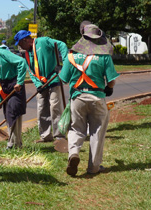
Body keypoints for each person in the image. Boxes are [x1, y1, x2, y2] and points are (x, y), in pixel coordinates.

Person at [59, 24, 119, 176]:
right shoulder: (104, 56)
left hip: (77, 98)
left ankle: (73, 153)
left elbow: (63, 79)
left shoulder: (71, 55)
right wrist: (109, 88)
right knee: (97, 132)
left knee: (76, 129)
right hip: (97, 97)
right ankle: (93, 167)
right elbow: (111, 79)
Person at [14, 30, 68, 144]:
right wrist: (38, 84)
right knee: (42, 107)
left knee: (55, 106)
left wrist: (65, 65)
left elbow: (62, 45)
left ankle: (59, 135)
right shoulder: (26, 53)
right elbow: (31, 70)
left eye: (20, 44)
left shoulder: (43, 41)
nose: (19, 47)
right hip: (41, 83)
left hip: (53, 78)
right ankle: (45, 135)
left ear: (25, 40)